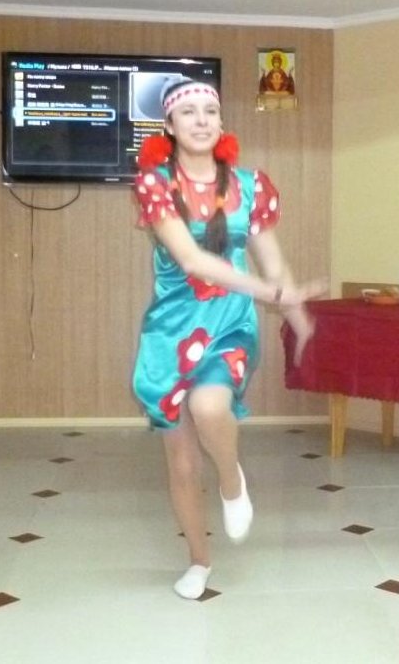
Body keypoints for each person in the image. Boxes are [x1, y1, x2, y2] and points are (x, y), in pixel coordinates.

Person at [131, 78, 324, 599]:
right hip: (171, 330)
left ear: (221, 122)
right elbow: (192, 259)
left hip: (229, 324)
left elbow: (273, 261)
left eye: (210, 111)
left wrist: (295, 311)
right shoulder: (154, 183)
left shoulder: (251, 185)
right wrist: (270, 291)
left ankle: (232, 479)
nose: (201, 120)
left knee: (210, 406)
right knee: (181, 461)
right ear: (169, 126)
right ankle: (199, 561)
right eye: (188, 112)